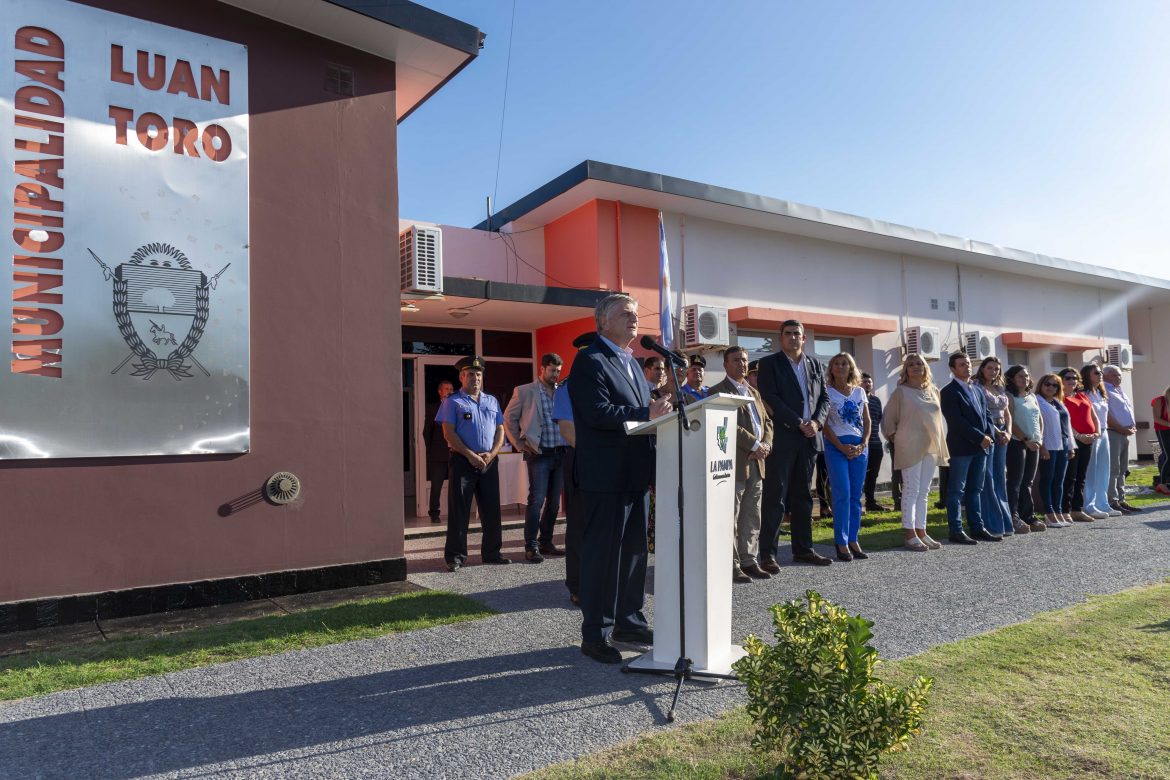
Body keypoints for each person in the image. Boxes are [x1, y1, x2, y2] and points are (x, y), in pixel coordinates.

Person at [568, 293, 672, 664]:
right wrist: (647, 411)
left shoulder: (631, 363)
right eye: (625, 314)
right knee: (603, 557)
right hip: (605, 477)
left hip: (635, 475)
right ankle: (595, 633)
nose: (634, 318)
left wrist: (659, 415)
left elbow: (640, 415)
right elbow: (598, 413)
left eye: (635, 313)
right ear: (603, 322)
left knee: (633, 554)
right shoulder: (589, 361)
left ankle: (628, 620)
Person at [757, 319, 833, 569]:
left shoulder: (816, 365)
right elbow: (771, 397)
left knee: (803, 498)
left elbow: (824, 398)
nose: (792, 337)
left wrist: (817, 423)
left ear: (804, 338)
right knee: (775, 497)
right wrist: (798, 421)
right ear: (781, 338)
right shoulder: (769, 364)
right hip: (783, 437)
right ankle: (767, 554)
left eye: (796, 334)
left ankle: (804, 549)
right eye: (787, 334)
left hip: (809, 438)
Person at [438, 356, 510, 571]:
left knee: (491, 510)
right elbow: (448, 433)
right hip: (463, 460)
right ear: (462, 377)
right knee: (459, 510)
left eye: (478, 375)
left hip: (488, 461)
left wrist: (491, 454)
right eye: (470, 374)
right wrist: (470, 455)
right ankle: (456, 557)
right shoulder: (452, 402)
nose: (475, 378)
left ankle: (492, 553)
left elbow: (500, 430)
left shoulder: (492, 401)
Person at [710, 346, 774, 582]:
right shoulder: (716, 391)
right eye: (736, 360)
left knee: (752, 515)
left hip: (757, 463)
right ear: (725, 365)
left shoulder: (753, 392)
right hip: (735, 463)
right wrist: (754, 445)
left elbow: (767, 422)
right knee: (731, 516)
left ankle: (750, 560)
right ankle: (732, 563)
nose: (742, 364)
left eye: (745, 360)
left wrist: (765, 444)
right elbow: (724, 424)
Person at [504, 353, 568, 563]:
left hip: (560, 452)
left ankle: (546, 542)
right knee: (536, 500)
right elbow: (508, 419)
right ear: (542, 369)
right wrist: (519, 444)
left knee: (554, 504)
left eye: (558, 371)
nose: (555, 375)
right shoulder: (525, 391)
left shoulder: (562, 391)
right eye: (552, 370)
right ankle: (531, 546)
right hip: (538, 454)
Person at [882, 353, 947, 551]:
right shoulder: (900, 392)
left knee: (925, 492)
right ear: (906, 370)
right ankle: (909, 534)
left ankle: (922, 530)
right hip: (909, 445)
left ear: (926, 367)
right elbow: (888, 420)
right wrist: (895, 438)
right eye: (911, 364)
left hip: (930, 445)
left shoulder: (934, 390)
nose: (916, 366)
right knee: (911, 490)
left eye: (919, 363)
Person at [552, 332, 597, 606]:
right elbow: (568, 431)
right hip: (581, 459)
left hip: (609, 461)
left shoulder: (607, 384)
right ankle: (578, 584)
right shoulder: (567, 388)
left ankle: (603, 581)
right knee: (580, 525)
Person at [940, 352, 1000, 545]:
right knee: (957, 490)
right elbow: (956, 421)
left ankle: (977, 527)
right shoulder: (949, 391)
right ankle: (956, 530)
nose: (967, 367)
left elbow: (986, 415)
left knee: (976, 488)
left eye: (968, 364)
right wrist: (979, 437)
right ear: (952, 369)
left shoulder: (976, 389)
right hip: (962, 447)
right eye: (961, 364)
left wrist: (989, 435)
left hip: (982, 447)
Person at [822, 353, 871, 561]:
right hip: (837, 446)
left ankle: (853, 539)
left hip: (859, 447)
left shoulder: (860, 392)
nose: (841, 367)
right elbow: (823, 425)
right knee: (842, 493)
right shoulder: (826, 393)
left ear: (851, 368)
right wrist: (841, 447)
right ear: (831, 369)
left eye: (845, 364)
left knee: (855, 497)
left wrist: (863, 444)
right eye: (837, 364)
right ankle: (841, 543)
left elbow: (867, 421)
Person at [974, 357, 1015, 536]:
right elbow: (981, 412)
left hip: (1004, 431)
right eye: (990, 368)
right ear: (982, 369)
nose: (993, 371)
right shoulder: (977, 386)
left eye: (997, 369)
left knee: (1000, 476)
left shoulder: (999, 388)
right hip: (989, 432)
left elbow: (1007, 413)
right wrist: (997, 432)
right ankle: (992, 523)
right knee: (988, 477)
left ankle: (1005, 522)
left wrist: (1009, 432)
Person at [1005, 364, 1045, 532]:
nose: (1024, 379)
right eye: (1020, 376)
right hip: (1017, 443)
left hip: (1034, 444)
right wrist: (1025, 439)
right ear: (1012, 379)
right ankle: (1014, 516)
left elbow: (1039, 419)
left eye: (1026, 376)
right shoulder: (1009, 397)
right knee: (1015, 482)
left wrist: (1039, 439)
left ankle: (1028, 515)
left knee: (1027, 482)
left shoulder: (1032, 397)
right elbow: (1010, 421)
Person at [1036, 373, 1075, 527]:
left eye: (1054, 385)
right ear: (1041, 385)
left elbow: (1067, 426)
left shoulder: (1058, 402)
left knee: (1059, 480)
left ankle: (1058, 511)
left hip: (1063, 444)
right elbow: (1038, 426)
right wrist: (1042, 446)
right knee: (1048, 479)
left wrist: (1071, 446)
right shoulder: (1037, 401)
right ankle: (1049, 512)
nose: (1050, 387)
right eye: (1047, 384)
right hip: (1049, 445)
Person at [1061, 368, 1101, 521]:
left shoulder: (1082, 395)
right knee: (1070, 476)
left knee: (1081, 476)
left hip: (1088, 440)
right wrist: (1078, 436)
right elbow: (1065, 421)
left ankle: (1077, 509)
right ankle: (1066, 509)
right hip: (1073, 440)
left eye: (1074, 378)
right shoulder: (1060, 398)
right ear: (1061, 380)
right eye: (1068, 378)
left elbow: (1094, 416)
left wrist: (1096, 433)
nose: (1072, 380)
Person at [1102, 364, 1141, 514]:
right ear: (1105, 376)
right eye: (1114, 375)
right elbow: (1107, 414)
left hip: (1124, 433)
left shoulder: (1119, 390)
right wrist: (1120, 428)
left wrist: (1131, 426)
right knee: (1114, 468)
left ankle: (1121, 499)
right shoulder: (1104, 389)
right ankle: (1112, 500)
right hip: (1114, 432)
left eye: (1119, 375)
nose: (1118, 377)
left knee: (1123, 469)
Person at [1080, 364, 1117, 518]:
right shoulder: (1083, 393)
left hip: (1104, 432)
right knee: (1091, 470)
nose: (1100, 374)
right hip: (1091, 433)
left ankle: (1103, 503)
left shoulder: (1101, 393)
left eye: (1101, 372)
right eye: (1096, 372)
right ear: (1088, 375)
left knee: (1104, 468)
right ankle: (1089, 505)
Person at [421, 379, 454, 523]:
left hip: (455, 452)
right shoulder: (433, 408)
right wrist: (431, 450)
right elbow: (426, 432)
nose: (449, 391)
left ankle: (456, 513)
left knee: (456, 485)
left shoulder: (457, 407)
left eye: (451, 389)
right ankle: (434, 513)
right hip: (438, 454)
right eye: (446, 389)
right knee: (436, 486)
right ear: (440, 391)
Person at [861, 373, 890, 512]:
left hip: (875, 443)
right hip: (860, 444)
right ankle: (856, 504)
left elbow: (878, 419)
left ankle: (870, 502)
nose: (867, 384)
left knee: (872, 475)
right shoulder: (856, 398)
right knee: (859, 475)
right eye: (864, 381)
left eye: (869, 381)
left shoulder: (876, 401)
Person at [1153, 385, 1170, 495]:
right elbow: (1156, 418)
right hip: (1163, 430)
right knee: (1168, 456)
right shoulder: (1160, 400)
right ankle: (1162, 483)